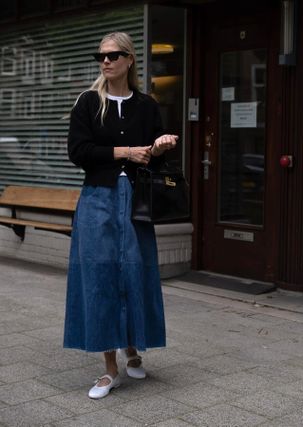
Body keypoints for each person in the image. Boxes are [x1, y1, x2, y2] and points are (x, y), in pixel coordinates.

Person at [63, 31, 178, 399]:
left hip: (138, 200)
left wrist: (162, 144)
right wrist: (126, 151)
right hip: (99, 198)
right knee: (101, 277)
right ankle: (109, 368)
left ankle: (133, 350)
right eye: (101, 56)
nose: (106, 61)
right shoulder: (88, 102)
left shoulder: (147, 105)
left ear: (130, 60)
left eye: (113, 55)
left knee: (136, 273)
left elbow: (158, 153)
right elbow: (79, 151)